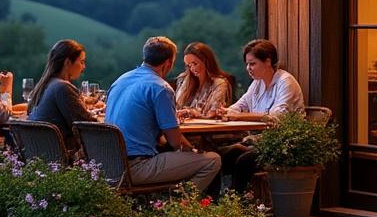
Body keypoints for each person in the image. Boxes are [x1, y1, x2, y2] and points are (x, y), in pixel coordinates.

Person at [105, 36, 221, 194]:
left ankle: (167, 201)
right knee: (212, 160)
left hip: (110, 164)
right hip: (136, 167)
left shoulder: (120, 80)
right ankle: (179, 207)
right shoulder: (160, 87)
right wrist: (193, 151)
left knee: (183, 158)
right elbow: (175, 142)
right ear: (168, 63)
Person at [214, 39, 306, 194]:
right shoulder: (258, 83)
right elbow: (240, 105)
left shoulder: (285, 82)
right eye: (247, 64)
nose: (248, 68)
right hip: (259, 141)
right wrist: (225, 111)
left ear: (268, 61)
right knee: (218, 156)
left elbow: (277, 116)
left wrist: (239, 117)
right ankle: (212, 201)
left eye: (252, 63)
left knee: (244, 160)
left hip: (282, 144)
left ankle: (236, 203)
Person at [26, 39, 96, 161]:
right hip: (60, 158)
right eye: (82, 62)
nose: (83, 67)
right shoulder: (62, 88)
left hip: (41, 156)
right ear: (68, 62)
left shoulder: (46, 85)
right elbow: (88, 126)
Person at [175, 42, 235, 118]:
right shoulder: (184, 80)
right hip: (185, 127)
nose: (192, 69)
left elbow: (213, 113)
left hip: (208, 128)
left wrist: (190, 112)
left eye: (195, 64)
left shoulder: (219, 83)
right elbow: (176, 107)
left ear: (206, 62)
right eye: (189, 65)